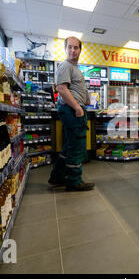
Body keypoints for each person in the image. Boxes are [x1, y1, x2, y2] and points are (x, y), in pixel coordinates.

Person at [48, 36, 95, 191]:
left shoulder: (75, 68)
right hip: (71, 110)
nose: (73, 50)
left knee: (69, 146)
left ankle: (57, 177)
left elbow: (75, 88)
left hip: (73, 109)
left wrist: (85, 99)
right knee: (77, 145)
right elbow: (61, 88)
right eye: (70, 47)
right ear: (65, 49)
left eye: (76, 47)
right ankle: (74, 181)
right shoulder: (65, 66)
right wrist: (77, 107)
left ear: (80, 50)